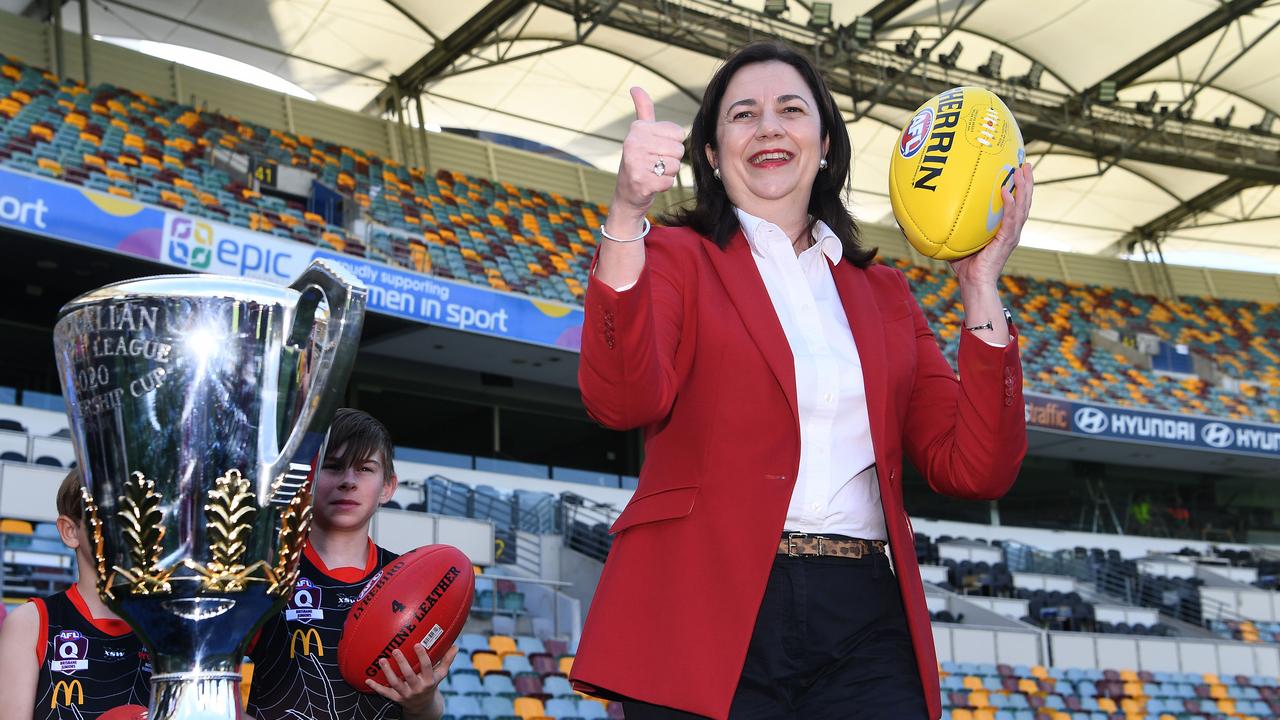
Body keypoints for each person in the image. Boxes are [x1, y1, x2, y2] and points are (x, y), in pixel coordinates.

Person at [570, 41, 1032, 720]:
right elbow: (620, 399)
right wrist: (625, 213)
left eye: (791, 109)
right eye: (743, 115)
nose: (769, 128)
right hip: (702, 604)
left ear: (825, 146)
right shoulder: (671, 255)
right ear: (709, 152)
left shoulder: (886, 294)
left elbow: (975, 470)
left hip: (864, 622)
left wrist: (980, 287)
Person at [246, 408, 456, 720]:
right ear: (307, 479)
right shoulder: (266, 571)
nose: (348, 481)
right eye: (332, 467)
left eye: (364, 469)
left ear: (387, 487)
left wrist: (422, 701)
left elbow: (430, 709)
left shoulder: (412, 582)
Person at [0, 468, 152, 719]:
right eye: (112, 517)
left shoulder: (168, 627)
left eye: (139, 517)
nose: (129, 531)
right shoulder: (32, 623)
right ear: (70, 531)